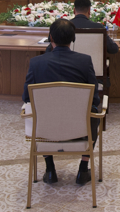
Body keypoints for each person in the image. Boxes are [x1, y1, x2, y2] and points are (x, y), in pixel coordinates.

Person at [24, 18, 100, 186]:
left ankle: (50, 168)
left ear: (50, 37)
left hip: (46, 127)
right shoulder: (84, 61)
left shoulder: (36, 63)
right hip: (80, 129)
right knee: (95, 112)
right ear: (73, 38)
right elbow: (94, 97)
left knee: (37, 112)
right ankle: (83, 169)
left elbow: (26, 97)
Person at [46, 0, 119, 55]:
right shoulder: (98, 27)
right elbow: (113, 49)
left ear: (74, 10)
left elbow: (50, 48)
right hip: (92, 68)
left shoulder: (64, 27)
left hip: (66, 67)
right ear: (89, 11)